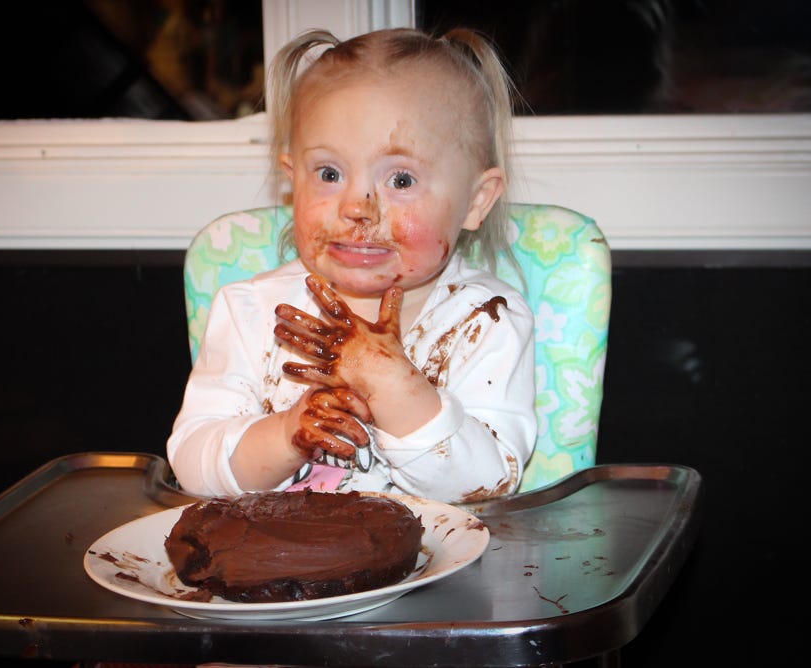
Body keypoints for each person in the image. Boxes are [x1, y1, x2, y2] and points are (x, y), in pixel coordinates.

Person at [166, 26, 537, 505]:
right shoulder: (250, 312)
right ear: (293, 181)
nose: (357, 207)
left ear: (476, 200)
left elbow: (489, 484)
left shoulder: (485, 322)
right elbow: (193, 466)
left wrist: (394, 387)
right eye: (329, 174)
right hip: (277, 548)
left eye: (401, 180)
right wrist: (287, 436)